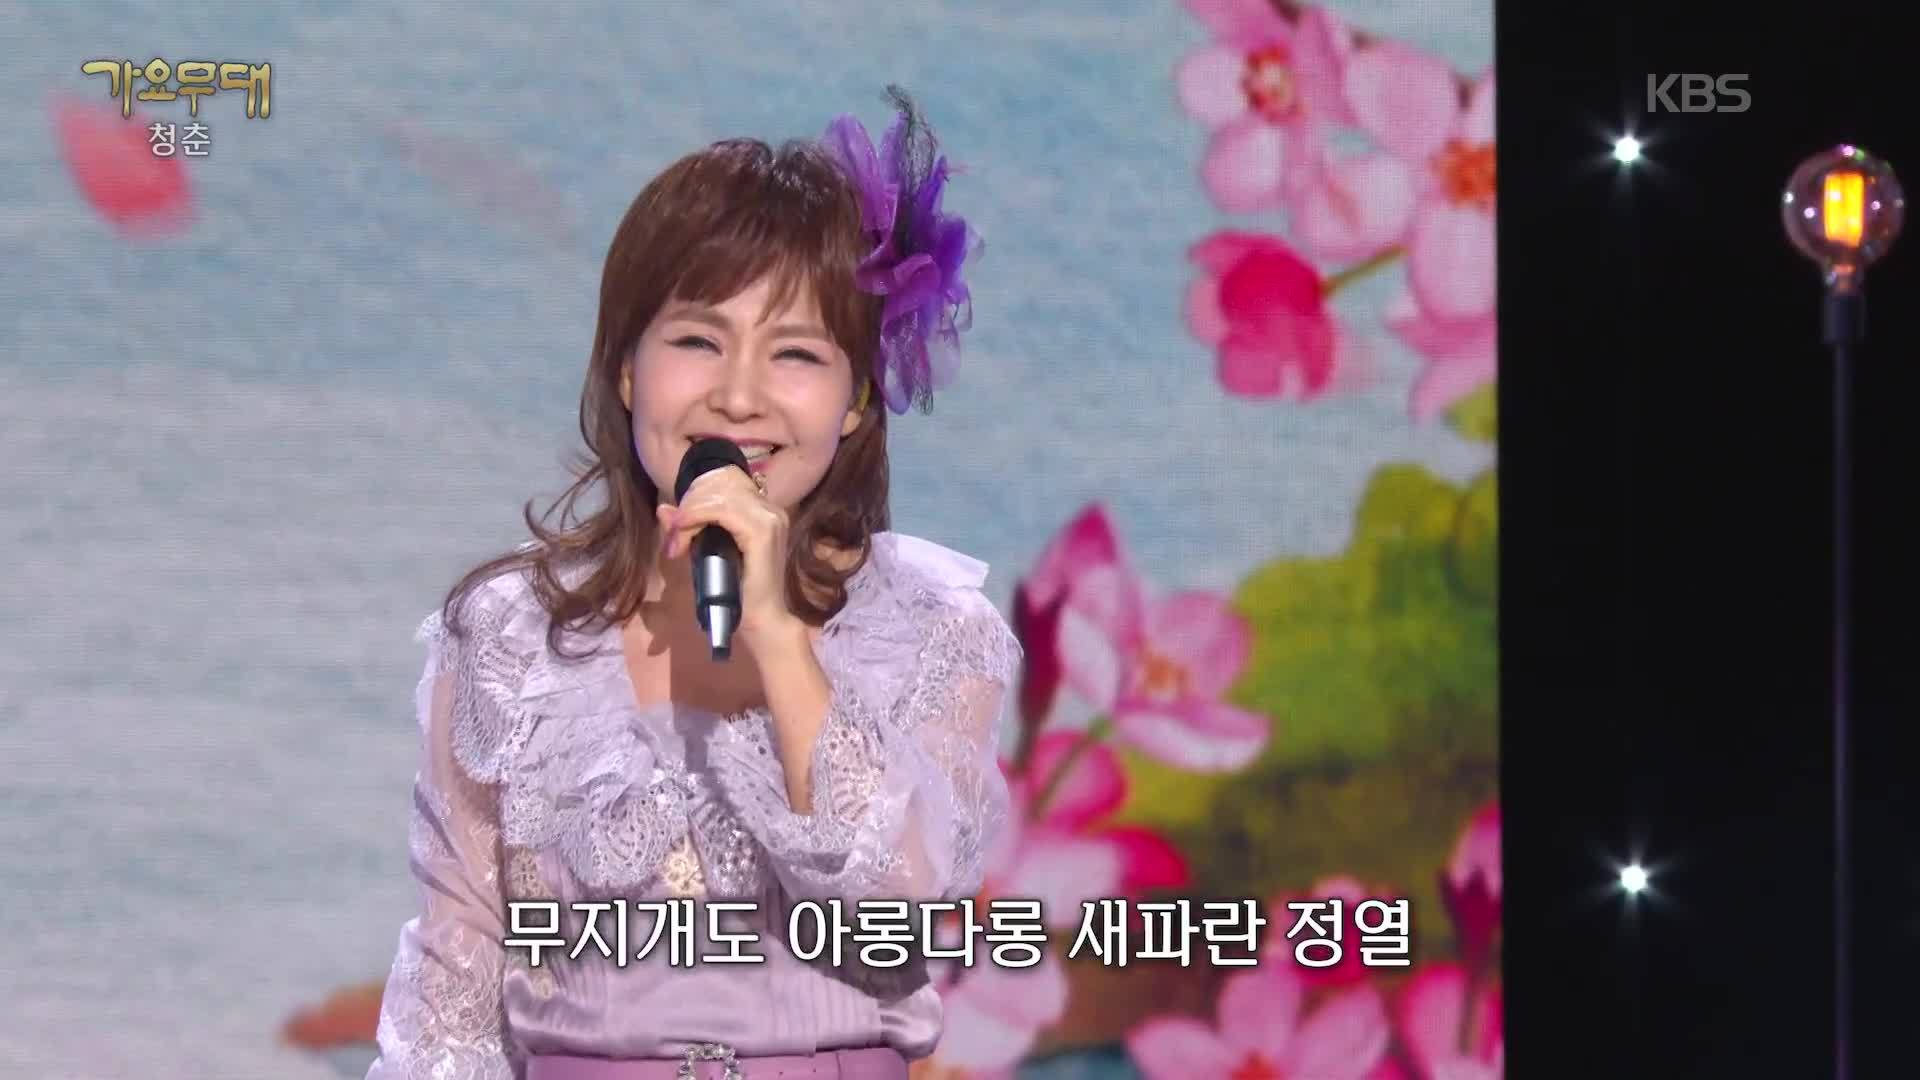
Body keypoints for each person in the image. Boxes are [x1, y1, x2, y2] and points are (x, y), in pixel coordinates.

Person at [365, 88, 1016, 1080]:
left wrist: (778, 633)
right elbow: (455, 981)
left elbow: (898, 907)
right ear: (628, 369)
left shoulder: (931, 629)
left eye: (795, 354)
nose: (739, 396)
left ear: (854, 401)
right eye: (698, 342)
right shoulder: (506, 635)